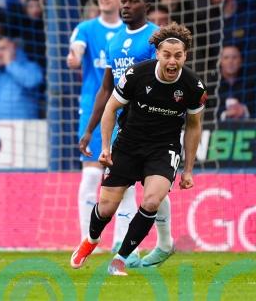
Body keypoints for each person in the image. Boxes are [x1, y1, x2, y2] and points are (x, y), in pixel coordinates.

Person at [71, 23, 205, 276]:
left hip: (163, 148)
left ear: (185, 55)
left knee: (152, 200)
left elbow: (194, 126)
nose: (172, 61)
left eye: (178, 55)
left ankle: (120, 258)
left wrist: (188, 170)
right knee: (107, 206)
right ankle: (91, 239)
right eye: (167, 54)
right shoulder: (136, 75)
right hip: (129, 144)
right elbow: (110, 109)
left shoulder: (193, 86)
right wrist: (107, 148)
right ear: (157, 53)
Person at [78, 0, 174, 268]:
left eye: (133, 1)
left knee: (151, 186)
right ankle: (130, 246)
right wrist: (90, 129)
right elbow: (106, 88)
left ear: (147, 4)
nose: (126, 6)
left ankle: (158, 242)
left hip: (157, 125)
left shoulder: (156, 38)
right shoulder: (115, 41)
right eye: (124, 1)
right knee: (130, 187)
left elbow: (170, 78)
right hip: (125, 126)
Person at [66, 0, 124, 243]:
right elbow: (77, 50)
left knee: (124, 174)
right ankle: (87, 238)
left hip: (126, 107)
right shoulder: (86, 28)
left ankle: (121, 242)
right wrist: (75, 57)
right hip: (94, 107)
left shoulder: (128, 32)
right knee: (91, 172)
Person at [0, 35, 42, 119]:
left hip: (23, 126)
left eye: (3, 48)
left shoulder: (29, 66)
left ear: (13, 48)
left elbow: (32, 82)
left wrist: (10, 65)